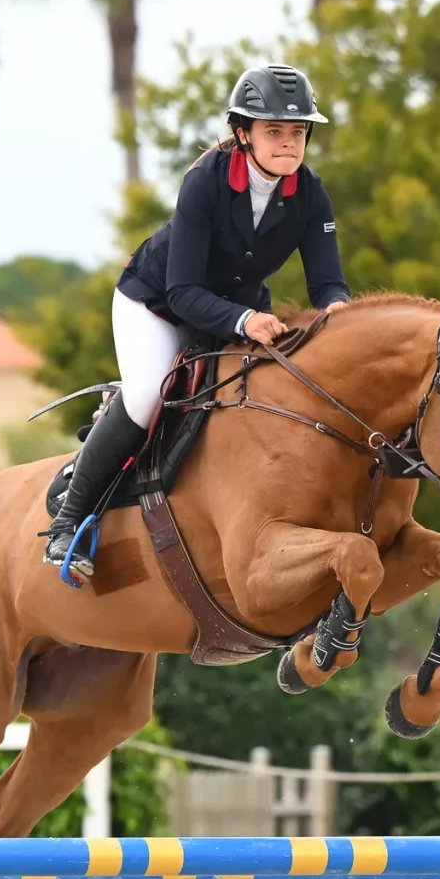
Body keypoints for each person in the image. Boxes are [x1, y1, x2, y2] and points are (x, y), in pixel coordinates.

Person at [42, 63, 350, 583]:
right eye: (274, 131)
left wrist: (341, 315)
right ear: (242, 133)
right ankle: (68, 519)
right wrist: (247, 319)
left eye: (297, 132)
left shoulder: (310, 193)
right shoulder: (204, 183)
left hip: (235, 313)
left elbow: (327, 285)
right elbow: (182, 291)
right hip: (156, 303)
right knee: (147, 397)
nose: (288, 143)